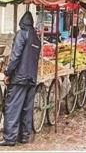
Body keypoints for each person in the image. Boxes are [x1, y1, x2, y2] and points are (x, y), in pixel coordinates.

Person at [1, 12, 41, 146]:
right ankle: (24, 136)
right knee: (26, 108)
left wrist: (8, 72)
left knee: (12, 107)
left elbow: (16, 56)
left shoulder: (22, 33)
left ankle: (10, 138)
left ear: (21, 22)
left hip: (19, 78)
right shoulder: (36, 37)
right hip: (32, 77)